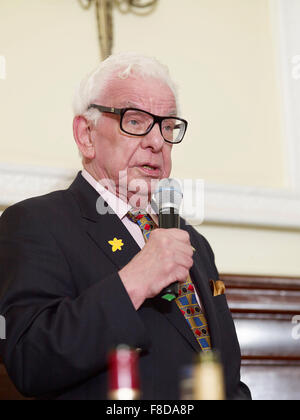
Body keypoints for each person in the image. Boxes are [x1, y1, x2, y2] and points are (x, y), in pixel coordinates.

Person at [0, 52, 251, 400]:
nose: (157, 142)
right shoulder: (36, 223)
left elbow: (224, 372)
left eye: (167, 125)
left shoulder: (192, 240)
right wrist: (135, 280)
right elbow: (31, 360)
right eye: (135, 121)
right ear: (86, 134)